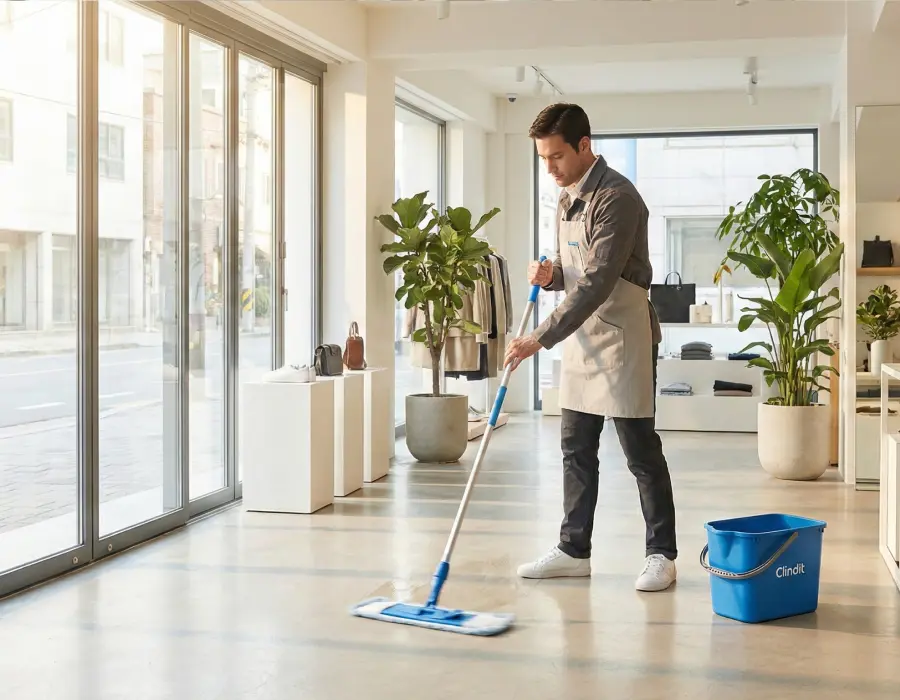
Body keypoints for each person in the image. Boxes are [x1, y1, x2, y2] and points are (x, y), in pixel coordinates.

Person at [504, 103, 677, 592]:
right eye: (543, 159)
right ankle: (573, 550)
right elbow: (573, 271)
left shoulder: (618, 197)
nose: (550, 168)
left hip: (623, 339)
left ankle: (662, 553)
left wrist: (540, 336)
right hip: (582, 339)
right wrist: (552, 274)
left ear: (584, 146)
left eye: (557, 157)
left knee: (640, 452)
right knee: (575, 450)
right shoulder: (566, 198)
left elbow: (600, 279)